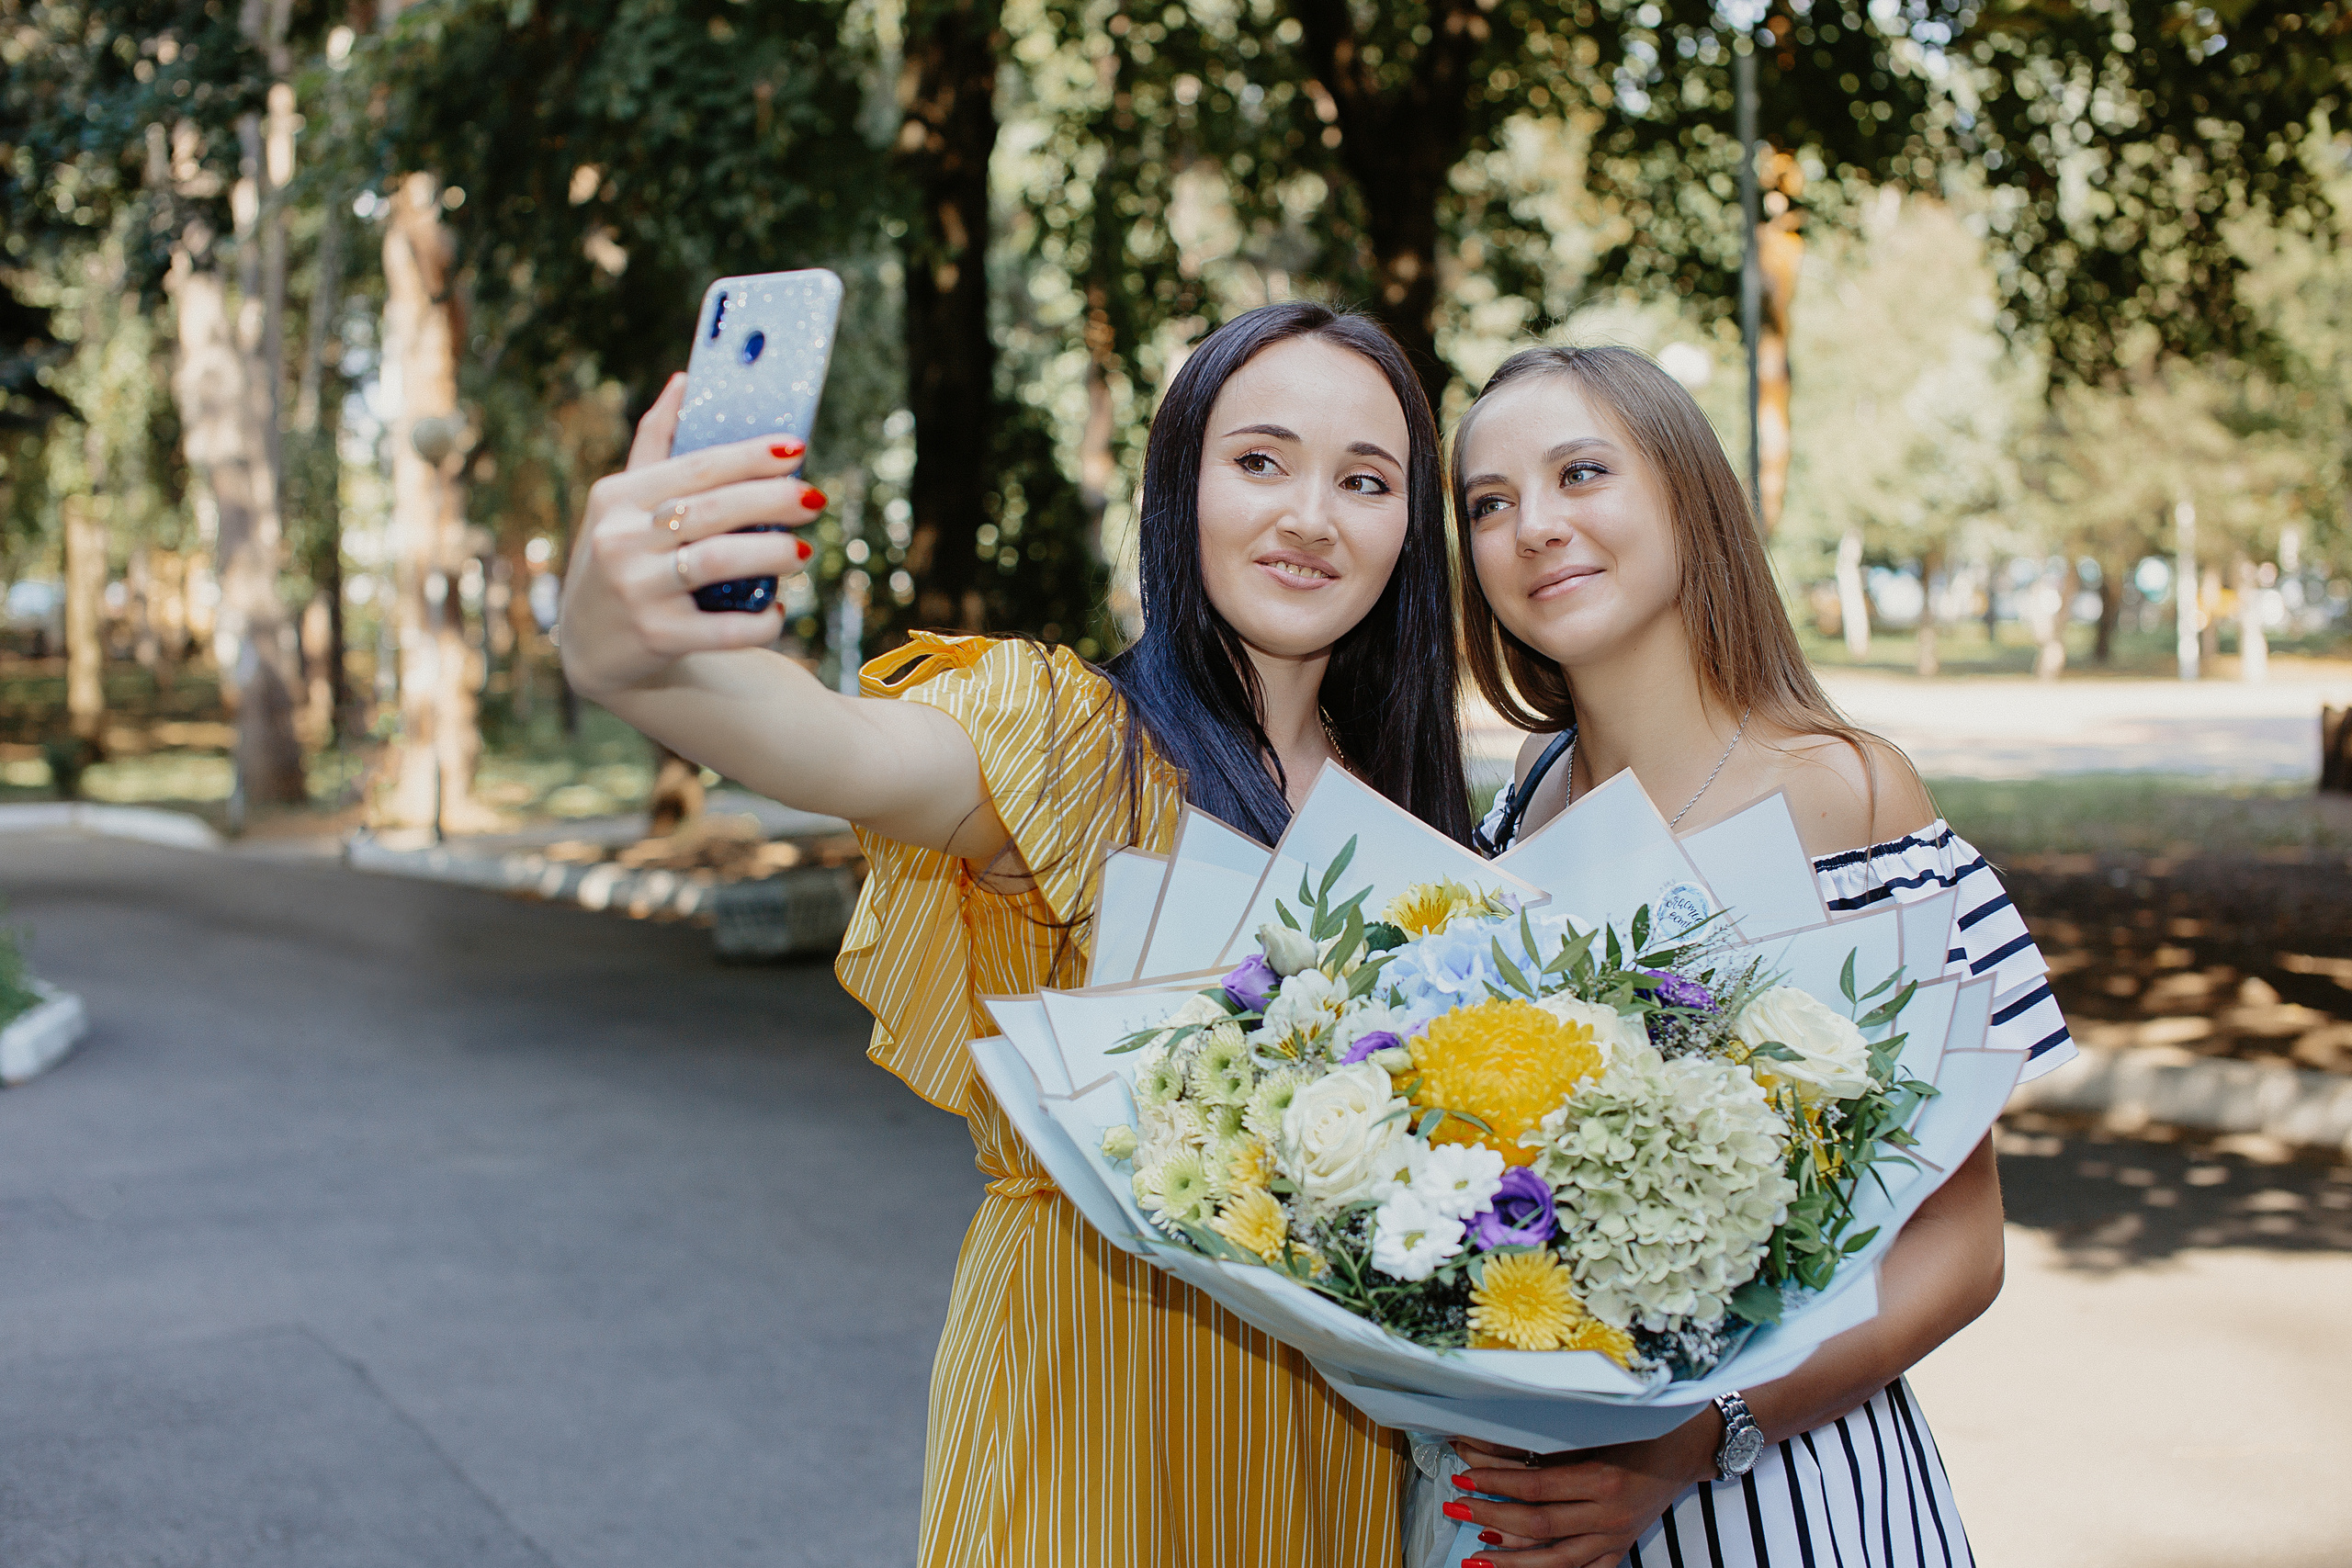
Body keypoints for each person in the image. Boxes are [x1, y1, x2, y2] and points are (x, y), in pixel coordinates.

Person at [557, 300, 1471, 1565]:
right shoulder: (1074, 737)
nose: (1310, 515)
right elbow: (836, 743)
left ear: (1408, 530)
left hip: (1339, 1439)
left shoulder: (1418, 820)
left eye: (1365, 481)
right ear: (1179, 489)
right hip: (1090, 1395)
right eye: (1260, 461)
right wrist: (621, 647)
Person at [1442, 344, 2075, 1568]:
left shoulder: (1844, 792)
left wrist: (1690, 1443)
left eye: (1582, 472)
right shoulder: (1517, 818)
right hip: (1542, 1515)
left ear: (1687, 495)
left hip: (1786, 1499)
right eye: (1490, 503)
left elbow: (1961, 1250)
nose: (1535, 527)